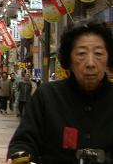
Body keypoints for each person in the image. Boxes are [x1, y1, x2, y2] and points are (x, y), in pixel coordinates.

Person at [7, 20, 113, 164]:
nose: (90, 63)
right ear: (68, 59)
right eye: (81, 53)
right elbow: (24, 142)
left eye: (99, 53)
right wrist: (20, 157)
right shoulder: (46, 96)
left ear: (108, 58)